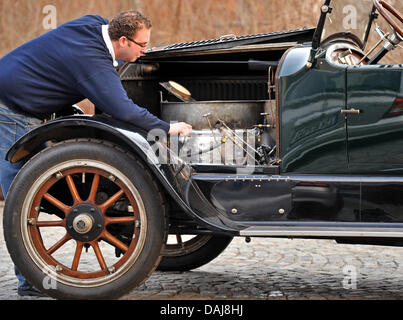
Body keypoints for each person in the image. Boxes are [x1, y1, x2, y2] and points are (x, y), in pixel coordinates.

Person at [0, 10, 192, 297]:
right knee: (22, 193)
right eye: (143, 46)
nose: (145, 51)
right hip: (12, 109)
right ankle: (31, 281)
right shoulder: (93, 63)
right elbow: (123, 109)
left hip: (17, 92)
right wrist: (166, 127)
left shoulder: (95, 23)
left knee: (34, 187)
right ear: (123, 40)